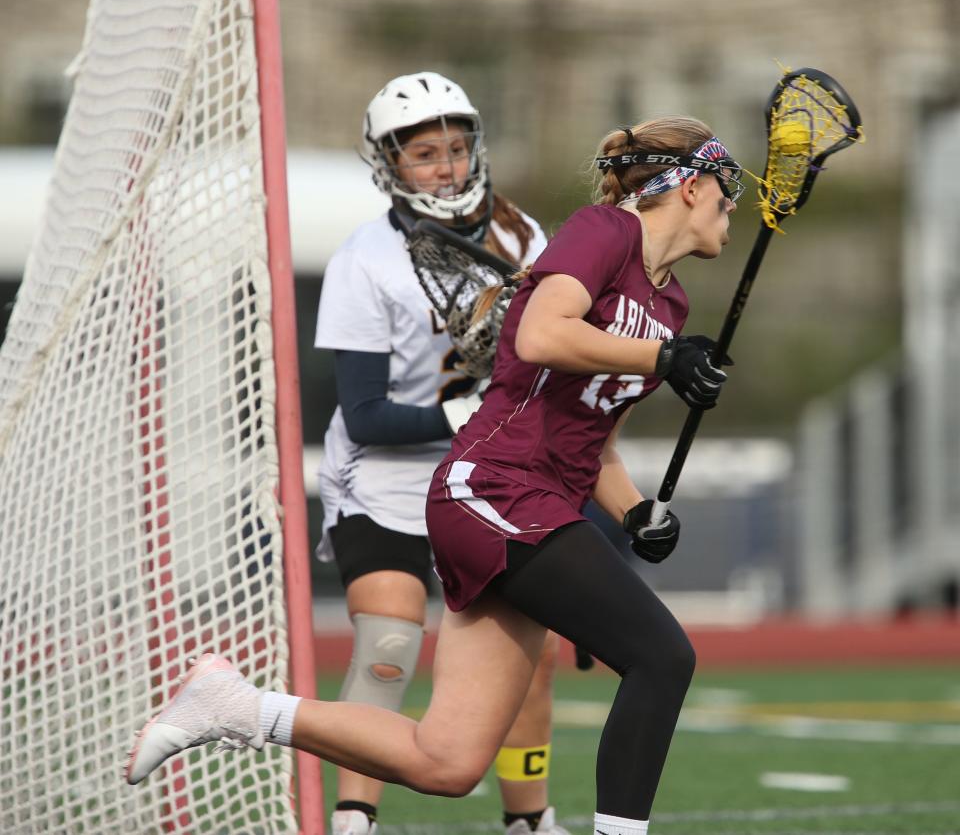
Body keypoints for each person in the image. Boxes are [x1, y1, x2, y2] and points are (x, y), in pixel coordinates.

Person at [126, 114, 742, 835]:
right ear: (693, 186)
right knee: (663, 657)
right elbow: (543, 334)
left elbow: (593, 436)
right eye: (728, 194)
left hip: (539, 502)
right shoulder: (605, 232)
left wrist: (636, 511)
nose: (734, 211)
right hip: (494, 487)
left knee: (445, 762)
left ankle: (235, 707)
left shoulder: (671, 304)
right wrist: (662, 361)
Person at [311, 71, 568, 835]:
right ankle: (355, 819)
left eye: (457, 149)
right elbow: (365, 417)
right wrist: (475, 409)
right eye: (425, 154)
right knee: (388, 647)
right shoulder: (364, 260)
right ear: (390, 163)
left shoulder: (527, 240)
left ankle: (529, 821)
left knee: (531, 660)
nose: (447, 168)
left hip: (489, 483)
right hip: (385, 484)